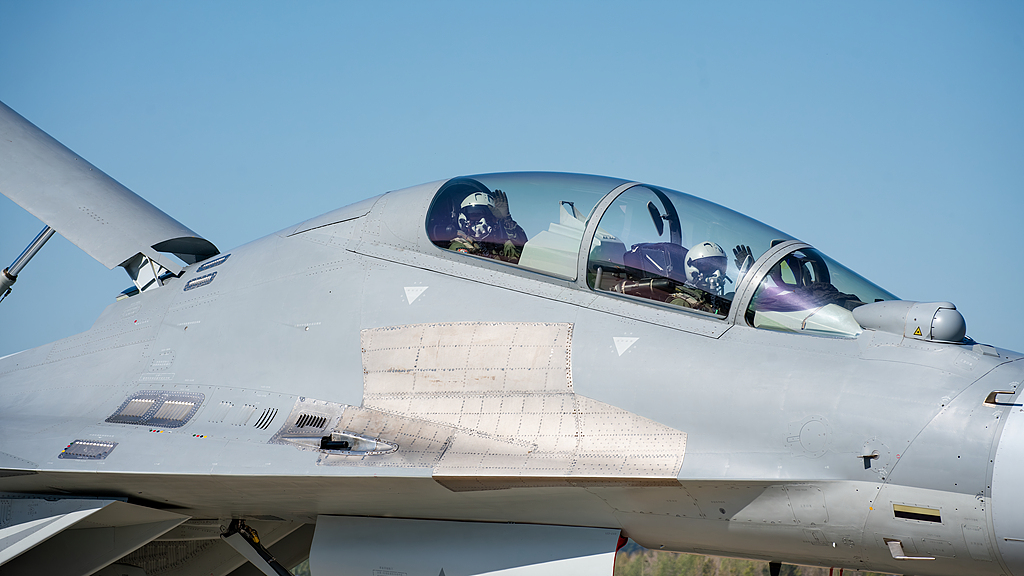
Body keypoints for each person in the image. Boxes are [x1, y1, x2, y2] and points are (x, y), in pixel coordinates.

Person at [449, 189, 527, 263]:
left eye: (488, 217)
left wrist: (506, 219)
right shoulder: (459, 246)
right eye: (476, 214)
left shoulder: (499, 247)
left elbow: (523, 252)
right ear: (463, 218)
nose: (483, 221)